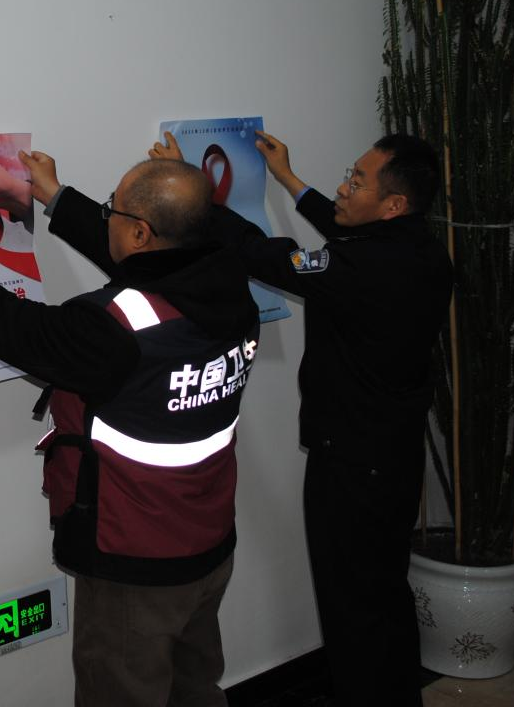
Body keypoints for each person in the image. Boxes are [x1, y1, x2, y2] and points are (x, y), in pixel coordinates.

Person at [0, 151, 262, 707]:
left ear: (139, 232)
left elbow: (17, 328)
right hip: (208, 544)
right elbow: (152, 264)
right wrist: (55, 197)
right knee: (195, 689)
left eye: (112, 211)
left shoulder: (118, 329)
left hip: (137, 563)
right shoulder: (230, 287)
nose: (106, 219)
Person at [152, 129, 452, 706]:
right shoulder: (422, 250)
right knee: (385, 596)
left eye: (357, 181)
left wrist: (194, 191)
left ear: (393, 204)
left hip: (353, 468)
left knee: (351, 611)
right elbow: (346, 235)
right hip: (394, 459)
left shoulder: (360, 267)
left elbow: (266, 256)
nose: (344, 187)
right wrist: (289, 179)